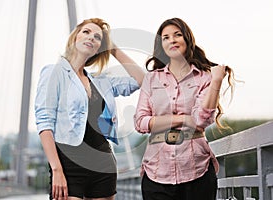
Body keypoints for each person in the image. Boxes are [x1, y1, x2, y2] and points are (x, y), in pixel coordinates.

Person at [35, 18, 144, 200]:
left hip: (103, 163)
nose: (91, 38)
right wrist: (56, 169)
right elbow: (44, 122)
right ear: (74, 37)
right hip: (68, 163)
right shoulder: (54, 72)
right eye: (86, 32)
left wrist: (114, 49)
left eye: (98, 37)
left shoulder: (101, 81)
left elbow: (141, 80)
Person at [134, 17, 236, 200]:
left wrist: (217, 82)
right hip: (157, 171)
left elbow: (201, 120)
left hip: (196, 169)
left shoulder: (204, 78)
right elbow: (140, 122)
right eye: (165, 37)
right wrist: (181, 119)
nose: (172, 40)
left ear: (187, 39)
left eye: (177, 35)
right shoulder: (151, 79)